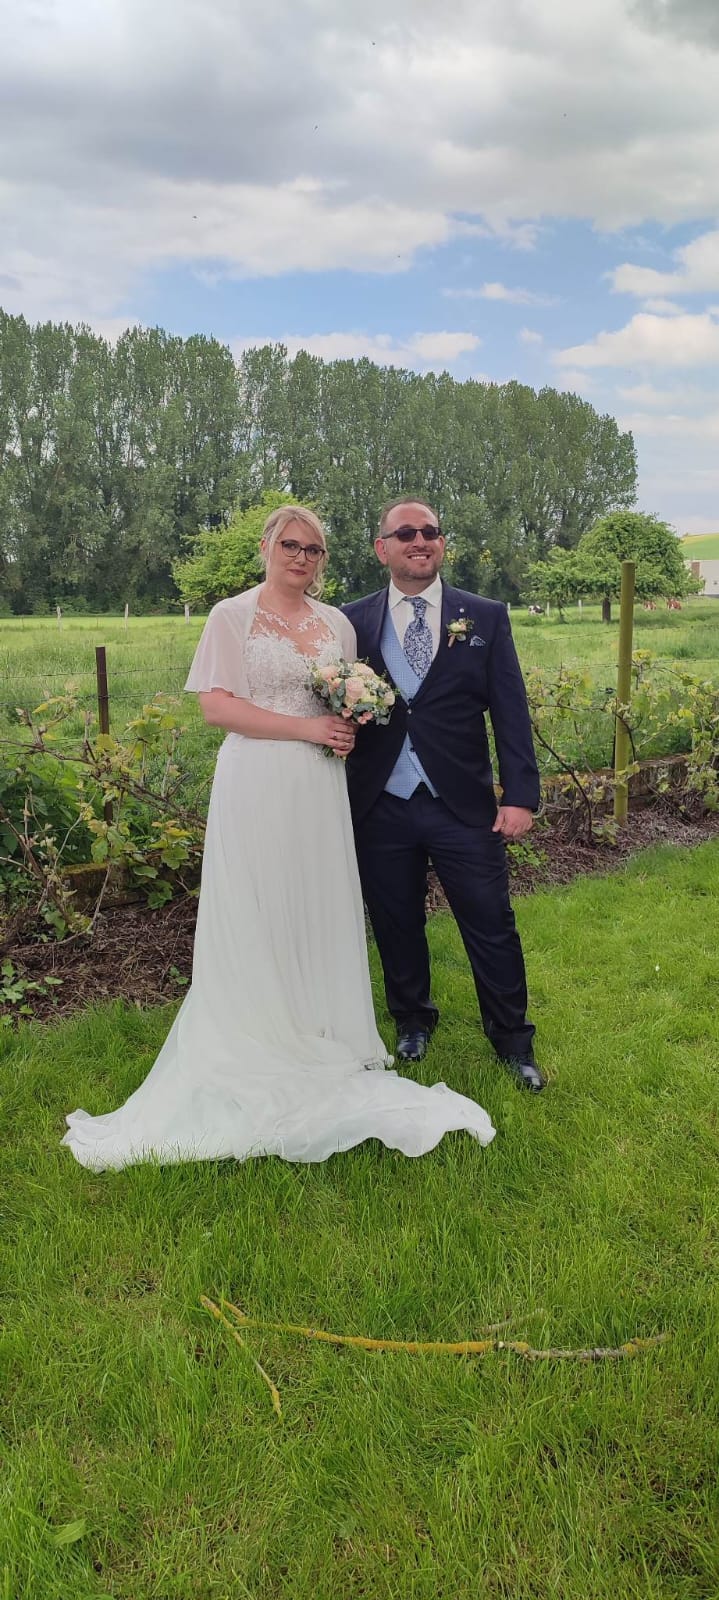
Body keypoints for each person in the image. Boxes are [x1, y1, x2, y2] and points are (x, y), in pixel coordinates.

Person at [62, 505, 496, 1170]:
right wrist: (307, 729)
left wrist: (349, 722)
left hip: (320, 786)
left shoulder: (336, 624)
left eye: (313, 550)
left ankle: (319, 1026)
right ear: (266, 547)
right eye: (290, 545)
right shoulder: (231, 616)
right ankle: (257, 1034)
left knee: (314, 904)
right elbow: (216, 707)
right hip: (257, 779)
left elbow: (347, 700)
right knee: (258, 904)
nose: (301, 558)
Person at [343, 496, 545, 1092]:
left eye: (429, 531)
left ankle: (513, 1040)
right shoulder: (350, 622)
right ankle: (412, 1020)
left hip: (462, 804)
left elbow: (510, 711)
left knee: (491, 924)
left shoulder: (484, 616)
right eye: (405, 533)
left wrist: (520, 796)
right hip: (380, 804)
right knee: (395, 922)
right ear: (382, 548)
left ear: (441, 543)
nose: (420, 541)